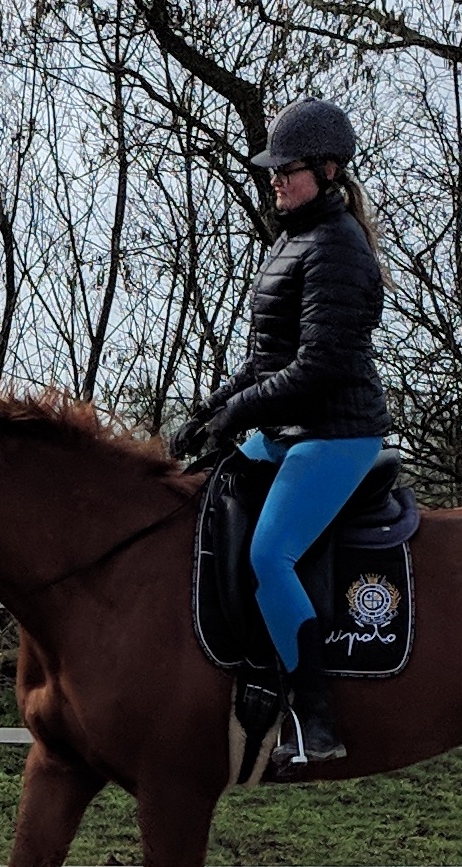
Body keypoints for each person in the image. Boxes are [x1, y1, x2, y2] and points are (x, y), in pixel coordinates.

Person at [170, 97, 392, 765]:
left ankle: (314, 715)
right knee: (200, 503)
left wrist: (244, 412)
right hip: (291, 427)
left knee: (270, 554)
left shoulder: (338, 246)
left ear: (326, 171)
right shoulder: (291, 239)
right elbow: (268, 359)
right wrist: (213, 410)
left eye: (285, 170)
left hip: (336, 432)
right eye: (271, 171)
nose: (273, 179)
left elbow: (320, 365)